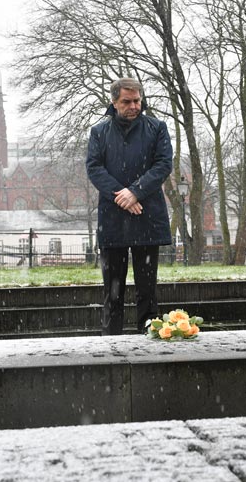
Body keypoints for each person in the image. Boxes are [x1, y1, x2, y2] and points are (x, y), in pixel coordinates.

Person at [86, 78, 173, 335]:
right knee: (112, 290)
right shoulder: (98, 132)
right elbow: (94, 168)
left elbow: (163, 165)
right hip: (114, 219)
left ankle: (149, 333)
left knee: (147, 288)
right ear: (114, 102)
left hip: (146, 216)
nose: (134, 106)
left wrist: (135, 192)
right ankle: (111, 338)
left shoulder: (157, 128)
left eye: (137, 100)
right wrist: (122, 197)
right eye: (127, 101)